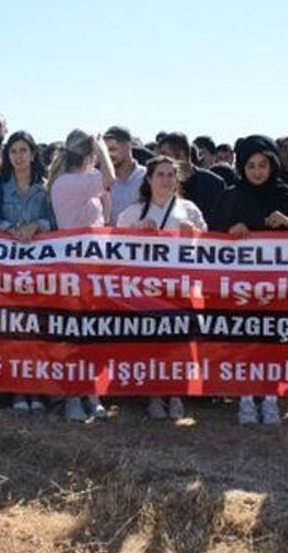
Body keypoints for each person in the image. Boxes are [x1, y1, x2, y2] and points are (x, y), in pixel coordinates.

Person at [211, 135, 288, 425]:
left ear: (272, 164)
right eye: (250, 165)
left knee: (273, 341)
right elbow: (211, 236)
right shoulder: (230, 195)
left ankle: (271, 398)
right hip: (240, 287)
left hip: (277, 286)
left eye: (263, 164)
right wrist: (230, 229)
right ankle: (247, 398)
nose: (257, 171)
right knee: (246, 341)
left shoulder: (285, 194)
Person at [116, 155, 206, 421]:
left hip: (180, 287)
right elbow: (115, 249)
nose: (166, 180)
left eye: (170, 175)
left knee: (178, 340)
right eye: (160, 175)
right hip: (146, 289)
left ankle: (176, 393)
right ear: (149, 179)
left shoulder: (189, 210)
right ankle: (154, 394)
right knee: (151, 340)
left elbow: (209, 251)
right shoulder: (132, 212)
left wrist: (195, 237)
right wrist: (135, 231)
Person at [49, 129, 113, 421]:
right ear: (88, 155)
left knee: (92, 334)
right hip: (74, 268)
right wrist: (101, 149)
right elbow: (109, 179)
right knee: (73, 334)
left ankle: (93, 394)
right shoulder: (68, 182)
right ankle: (73, 396)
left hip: (94, 267)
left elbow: (105, 212)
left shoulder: (84, 184)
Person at [0, 131, 55, 414]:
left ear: (32, 153)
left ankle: (38, 387)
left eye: (23, 150)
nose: (18, 156)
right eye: (13, 151)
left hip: (39, 268)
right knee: (13, 326)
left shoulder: (46, 187)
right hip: (6, 267)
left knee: (38, 327)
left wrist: (37, 225)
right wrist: (10, 229)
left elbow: (55, 222)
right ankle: (17, 388)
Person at [155, 132, 227, 224]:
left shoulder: (214, 183)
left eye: (164, 155)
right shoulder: (157, 183)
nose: (160, 160)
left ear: (182, 155)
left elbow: (222, 220)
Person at [105, 126, 145, 224]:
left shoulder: (147, 176)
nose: (109, 155)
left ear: (128, 146)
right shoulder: (102, 179)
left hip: (141, 238)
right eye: (105, 151)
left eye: (113, 149)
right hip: (109, 238)